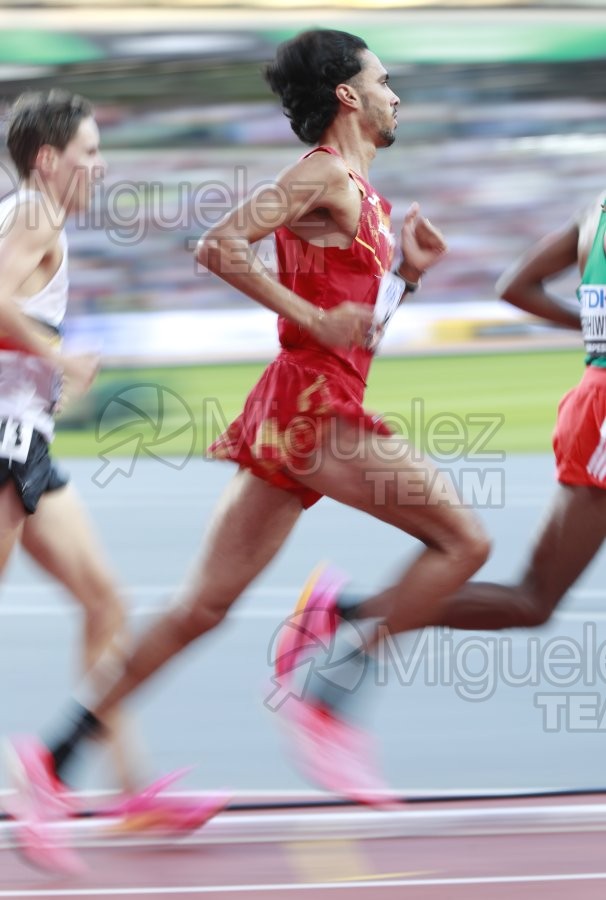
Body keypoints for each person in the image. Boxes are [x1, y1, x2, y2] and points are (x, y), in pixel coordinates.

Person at [7, 31, 491, 871]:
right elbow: (218, 247)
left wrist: (406, 277)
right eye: (384, 81)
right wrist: (308, 319)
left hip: (303, 409)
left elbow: (357, 331)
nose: (396, 95)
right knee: (464, 542)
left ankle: (53, 761)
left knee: (199, 608)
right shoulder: (321, 175)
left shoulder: (368, 197)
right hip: (314, 414)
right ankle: (331, 676)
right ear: (347, 96)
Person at [0, 91, 227, 873]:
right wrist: (59, 358)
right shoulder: (32, 213)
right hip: (1, 443)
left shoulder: (29, 215)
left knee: (105, 603)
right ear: (48, 160)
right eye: (91, 153)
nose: (102, 167)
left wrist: (41, 369)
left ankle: (126, 791)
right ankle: (31, 787)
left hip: (26, 443)